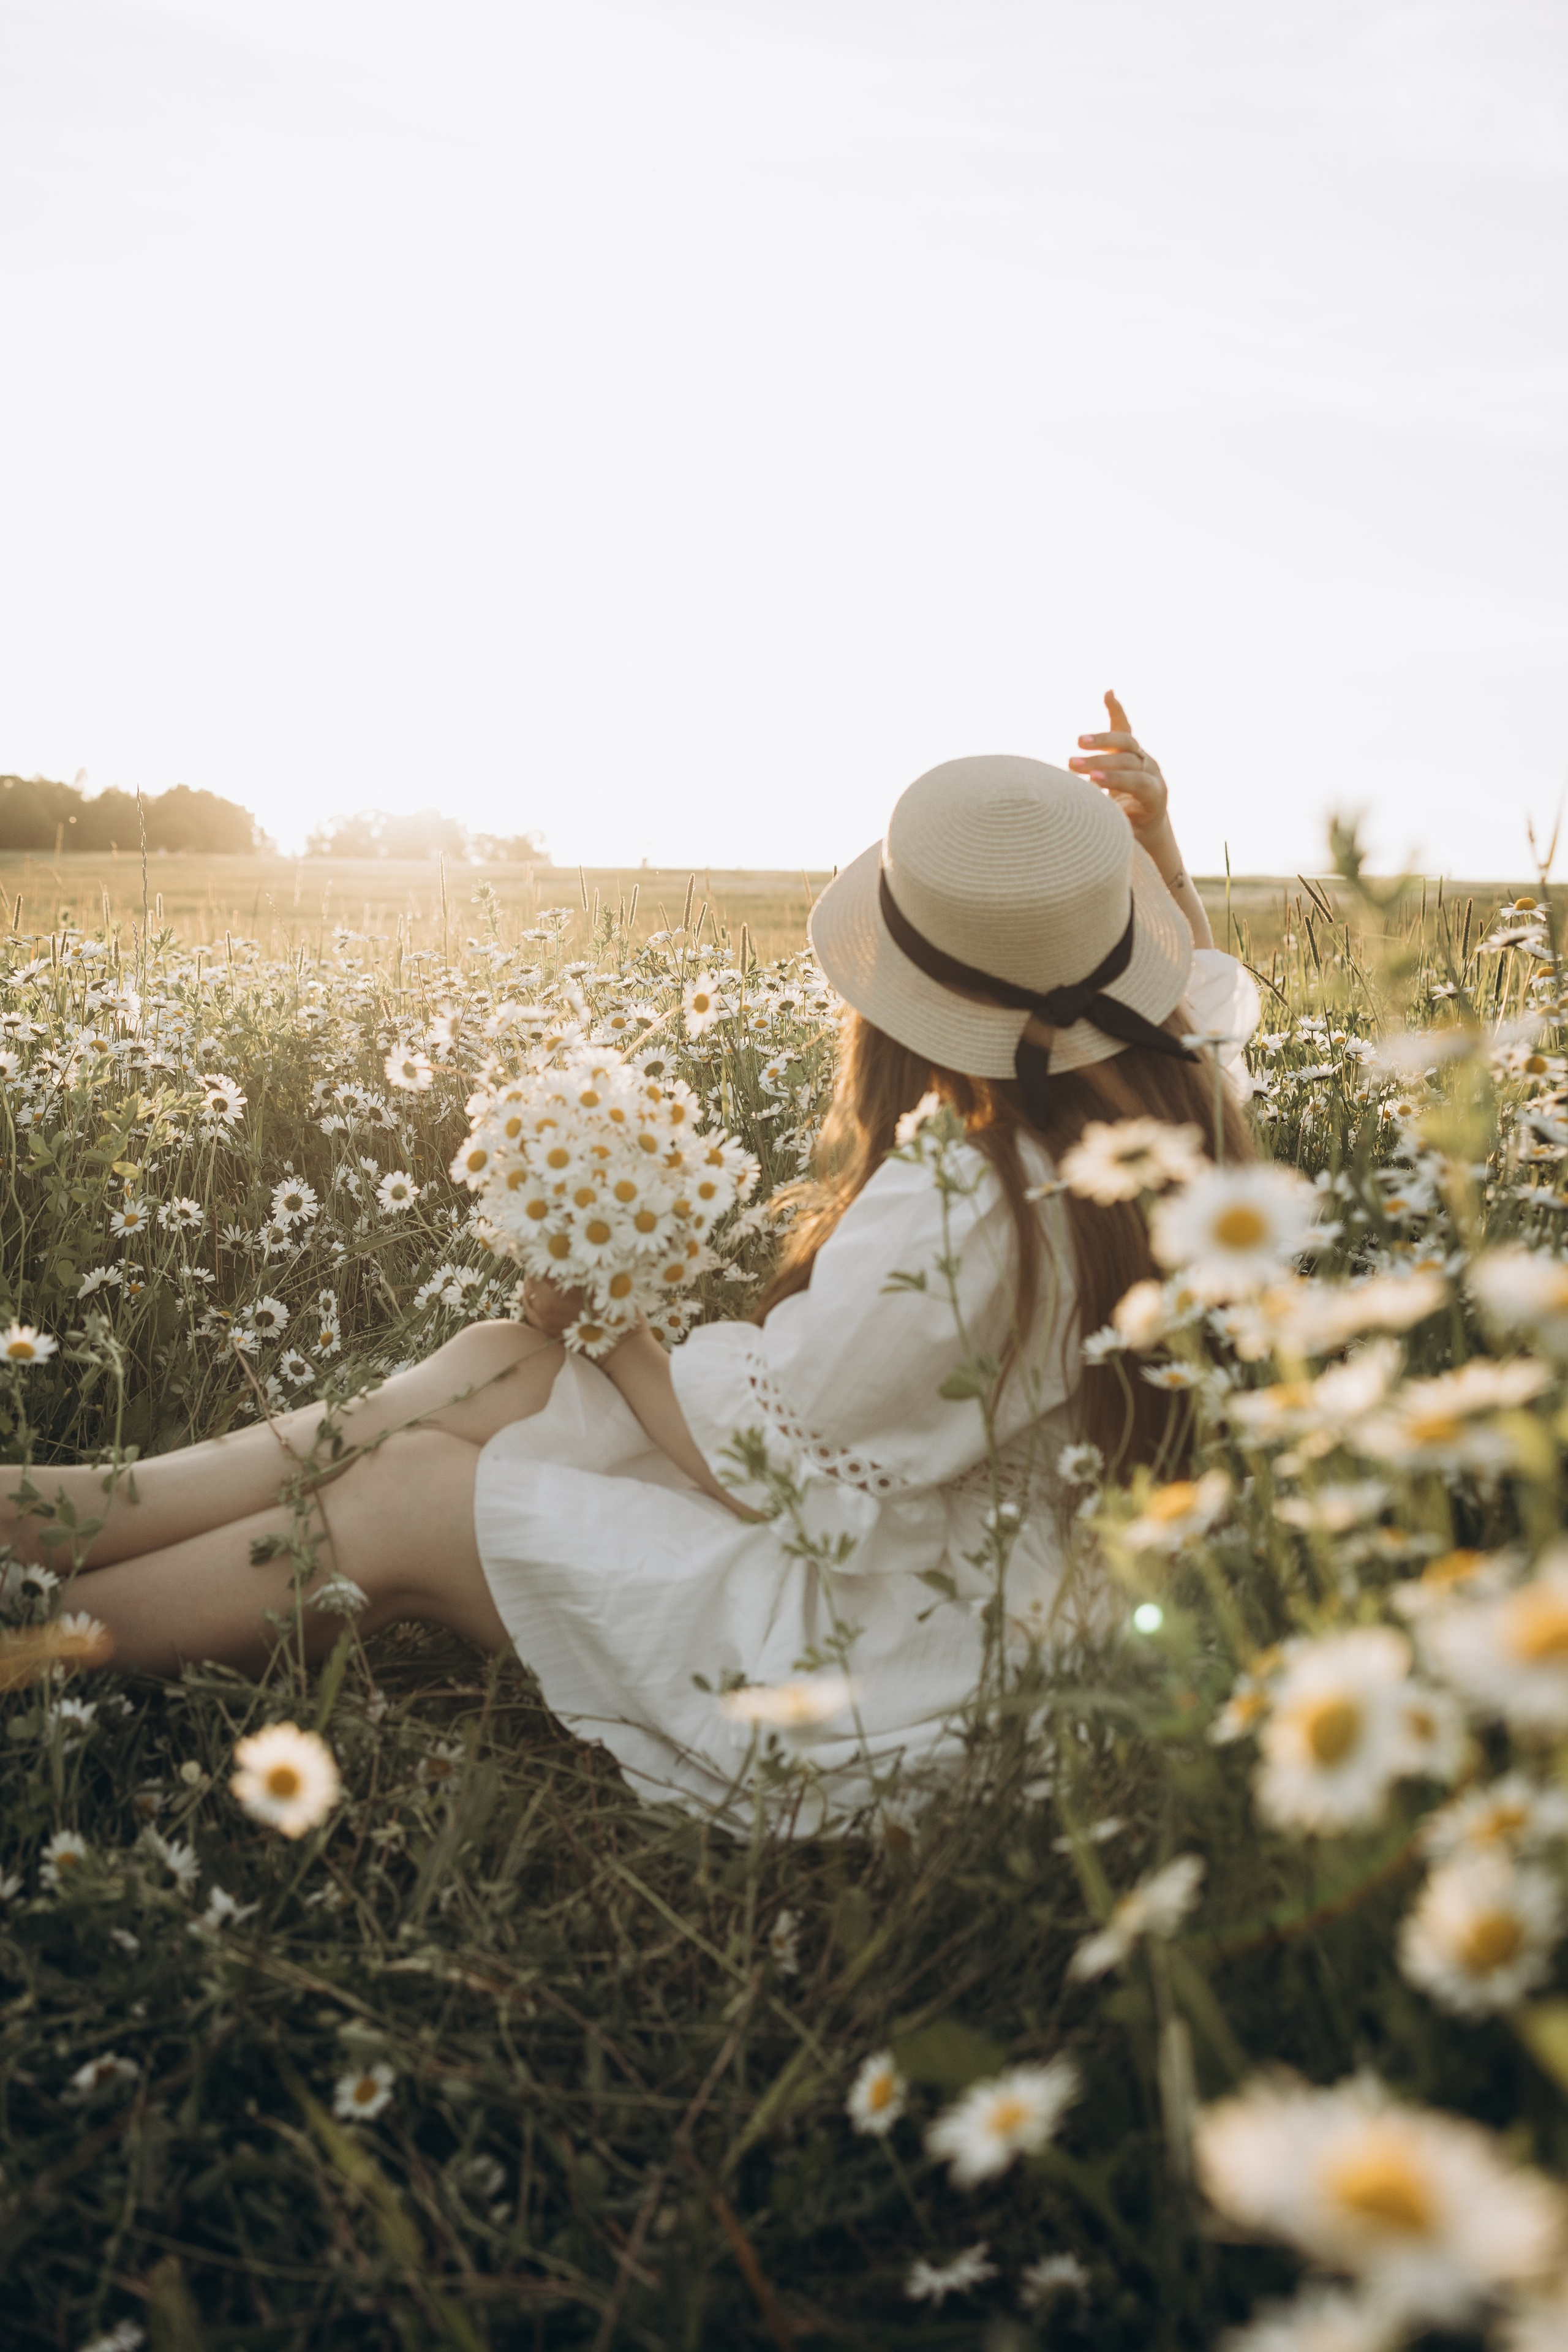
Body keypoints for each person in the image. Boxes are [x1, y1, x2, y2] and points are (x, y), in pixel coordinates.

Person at [4, 698, 1257, 1826]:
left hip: (903, 1665)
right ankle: (55, 1513)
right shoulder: (1177, 1095)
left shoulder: (967, 1201)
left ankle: (45, 1643)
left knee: (409, 1497)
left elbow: (764, 1477)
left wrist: (610, 1319)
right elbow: (1190, 987)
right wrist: (1160, 867)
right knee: (496, 1363)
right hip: (976, 1579)